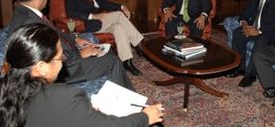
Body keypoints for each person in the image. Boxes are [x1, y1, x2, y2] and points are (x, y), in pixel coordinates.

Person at [0, 23, 164, 127]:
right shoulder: (64, 97)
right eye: (60, 57)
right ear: (42, 67)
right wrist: (144, 117)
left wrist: (83, 113)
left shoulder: (7, 90)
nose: (63, 62)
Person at [8, 0, 133, 89]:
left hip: (66, 57)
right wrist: (80, 54)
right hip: (64, 69)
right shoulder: (31, 22)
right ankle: (131, 104)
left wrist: (76, 38)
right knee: (112, 61)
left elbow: (54, 33)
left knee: (105, 52)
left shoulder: (24, 13)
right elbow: (45, 59)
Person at [64, 0, 144, 76]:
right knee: (119, 15)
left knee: (119, 27)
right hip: (89, 24)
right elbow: (70, 12)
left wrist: (121, 6)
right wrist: (92, 16)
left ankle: (126, 62)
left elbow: (105, 3)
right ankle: (138, 43)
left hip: (103, 22)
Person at [227, 0, 275, 88]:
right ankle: (240, 67)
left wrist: (258, 31)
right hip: (253, 29)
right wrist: (244, 25)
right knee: (238, 33)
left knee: (261, 41)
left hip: (269, 33)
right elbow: (244, 14)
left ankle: (250, 75)